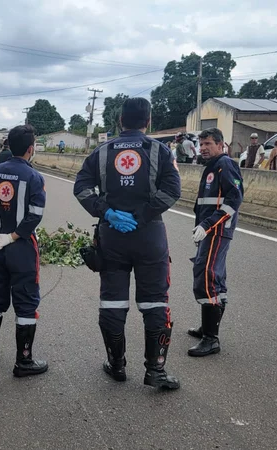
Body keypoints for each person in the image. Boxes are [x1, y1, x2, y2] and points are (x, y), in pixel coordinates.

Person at [73, 97, 182, 390]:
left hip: (112, 237)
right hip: (150, 237)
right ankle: (155, 371)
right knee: (155, 301)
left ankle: (117, 365)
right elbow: (174, 190)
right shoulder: (160, 151)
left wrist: (106, 211)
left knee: (112, 301)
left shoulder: (102, 152)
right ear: (148, 122)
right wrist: (144, 215)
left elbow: (80, 187)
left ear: (121, 120)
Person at [0, 125, 48, 378]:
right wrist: (13, 236)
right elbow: (35, 216)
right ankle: (23, 362)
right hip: (22, 248)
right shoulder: (35, 178)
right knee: (26, 304)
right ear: (30, 149)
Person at [187, 128, 244, 357]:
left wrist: (207, 224)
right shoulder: (211, 167)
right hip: (209, 231)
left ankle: (211, 339)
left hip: (217, 231)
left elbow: (234, 199)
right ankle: (209, 328)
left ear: (221, 145)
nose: (203, 148)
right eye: (201, 144)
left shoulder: (225, 164)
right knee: (215, 278)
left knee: (207, 276)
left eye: (208, 143)